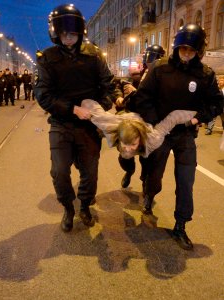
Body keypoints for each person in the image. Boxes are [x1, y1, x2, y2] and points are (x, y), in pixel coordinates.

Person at [131, 24, 224, 250]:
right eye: (183, 49)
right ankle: (148, 195)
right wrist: (155, 122)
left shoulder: (206, 74)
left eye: (191, 50)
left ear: (199, 51)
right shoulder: (159, 68)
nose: (186, 54)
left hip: (185, 136)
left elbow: (217, 103)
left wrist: (197, 118)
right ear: (176, 48)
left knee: (186, 181)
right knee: (154, 175)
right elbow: (143, 97)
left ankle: (181, 226)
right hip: (160, 133)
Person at [34, 4, 114, 233]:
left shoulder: (94, 55)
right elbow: (43, 94)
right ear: (56, 33)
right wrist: (72, 109)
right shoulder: (48, 58)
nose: (68, 38)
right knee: (59, 171)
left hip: (89, 126)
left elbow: (108, 85)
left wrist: (101, 107)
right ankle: (68, 208)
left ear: (80, 33)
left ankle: (85, 206)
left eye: (73, 33)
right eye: (64, 33)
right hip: (61, 124)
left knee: (90, 171)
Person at [113, 45, 165, 190]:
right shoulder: (136, 76)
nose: (149, 65)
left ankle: (145, 184)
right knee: (124, 154)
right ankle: (129, 171)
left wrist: (136, 92)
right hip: (132, 121)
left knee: (147, 158)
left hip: (151, 124)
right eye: (148, 62)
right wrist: (119, 97)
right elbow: (117, 84)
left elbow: (162, 102)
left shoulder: (164, 80)